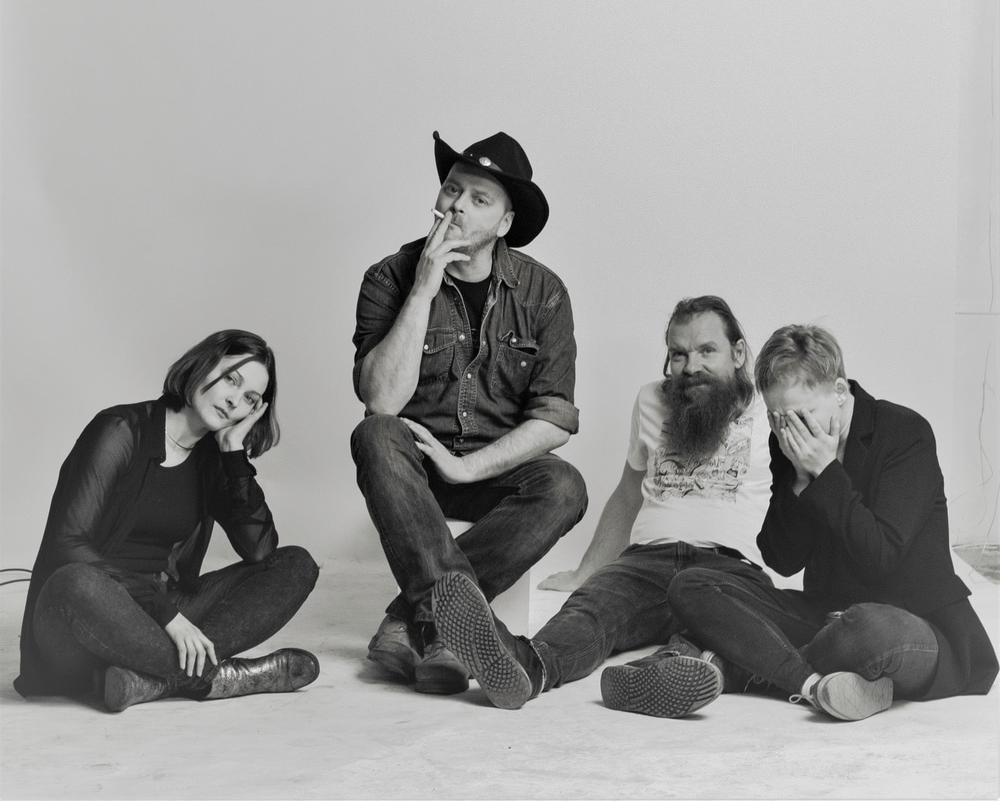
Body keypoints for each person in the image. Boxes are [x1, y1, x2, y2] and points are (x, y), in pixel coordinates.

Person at [431, 295, 774, 715]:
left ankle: (668, 672)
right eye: (679, 354)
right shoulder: (651, 399)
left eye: (707, 351)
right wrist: (586, 571)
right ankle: (525, 667)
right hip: (647, 561)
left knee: (728, 629)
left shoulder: (773, 409)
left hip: (730, 566)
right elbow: (628, 494)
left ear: (737, 354)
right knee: (589, 610)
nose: (691, 367)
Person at [648, 324, 998, 721]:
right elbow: (781, 559)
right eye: (777, 418)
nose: (790, 430)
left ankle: (734, 666)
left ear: (839, 391)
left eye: (802, 415)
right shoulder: (787, 442)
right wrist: (800, 480)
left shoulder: (905, 433)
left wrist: (826, 472)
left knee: (870, 629)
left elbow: (882, 556)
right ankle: (812, 683)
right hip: (825, 617)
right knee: (691, 584)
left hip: (910, 623)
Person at [352, 129, 587, 696]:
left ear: (505, 223)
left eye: (479, 199)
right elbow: (381, 400)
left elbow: (553, 419)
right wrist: (422, 290)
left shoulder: (543, 292)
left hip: (493, 471)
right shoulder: (389, 277)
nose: (457, 205)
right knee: (376, 433)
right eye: (452, 189)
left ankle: (416, 622)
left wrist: (467, 467)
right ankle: (447, 630)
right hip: (412, 472)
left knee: (564, 485)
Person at [14, 330, 321, 712]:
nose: (234, 400)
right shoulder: (120, 430)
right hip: (85, 618)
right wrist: (166, 613)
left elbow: (260, 550)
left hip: (160, 615)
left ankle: (148, 679)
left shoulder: (212, 457)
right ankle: (218, 677)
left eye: (250, 399)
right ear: (203, 365)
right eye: (231, 379)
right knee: (76, 582)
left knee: (296, 563)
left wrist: (233, 454)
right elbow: (67, 544)